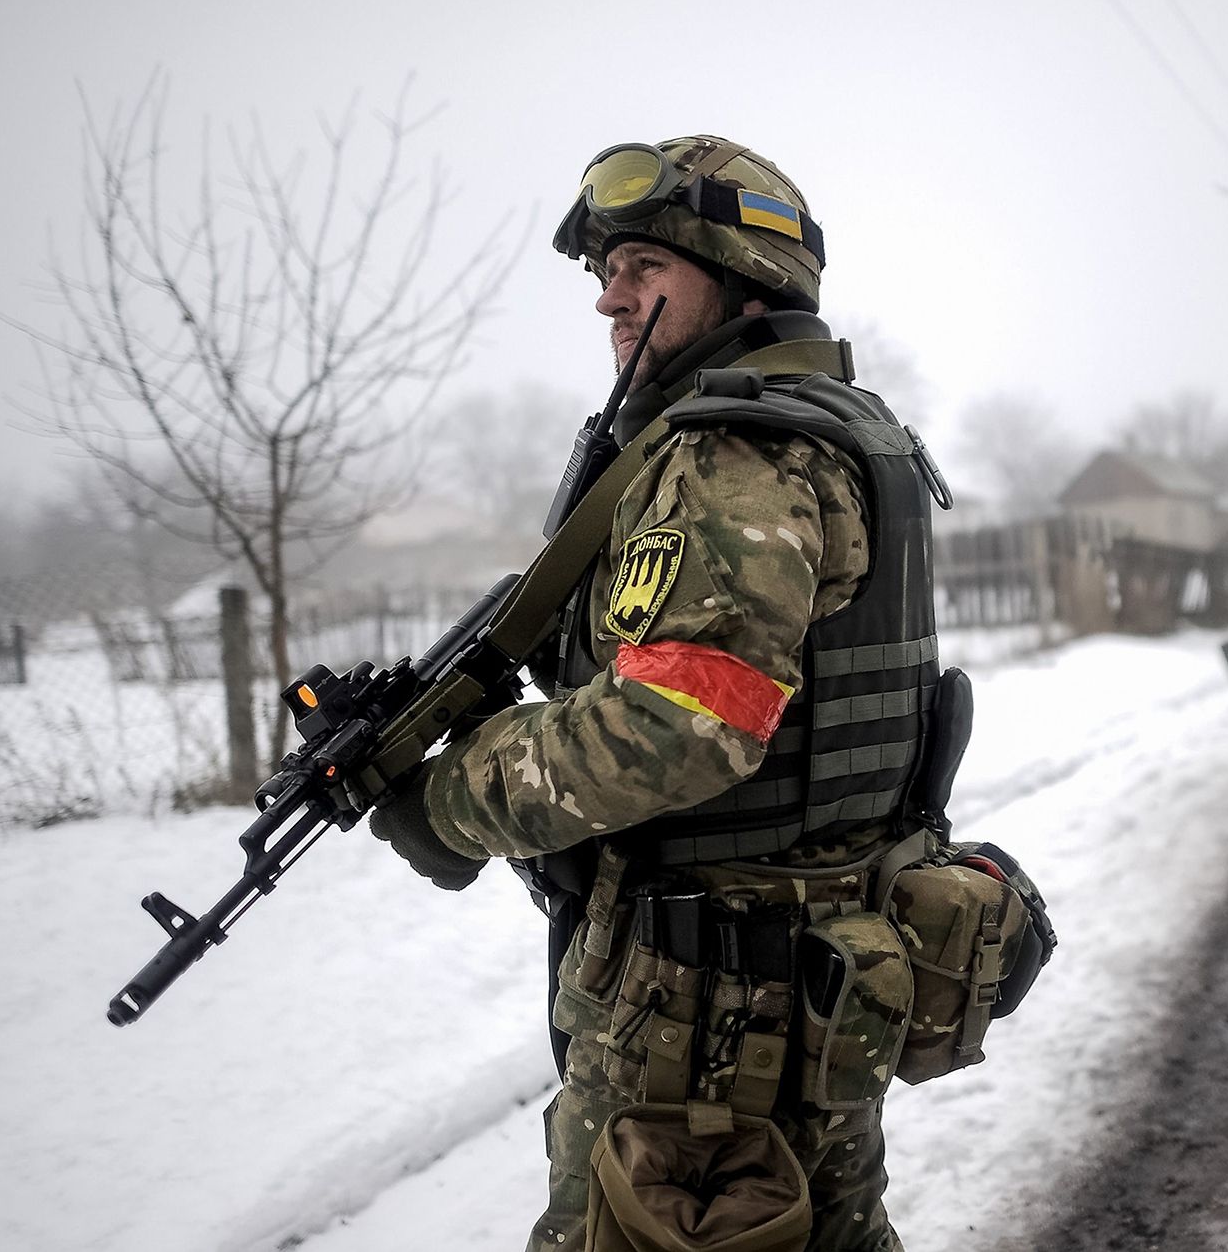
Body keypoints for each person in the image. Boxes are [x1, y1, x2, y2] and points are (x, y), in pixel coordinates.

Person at [367, 136, 948, 1251]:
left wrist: (450, 800)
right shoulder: (848, 426)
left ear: (742, 274)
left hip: (710, 1010)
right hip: (811, 965)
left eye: (642, 266)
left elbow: (678, 730)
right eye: (604, 272)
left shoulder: (736, 457)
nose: (609, 298)